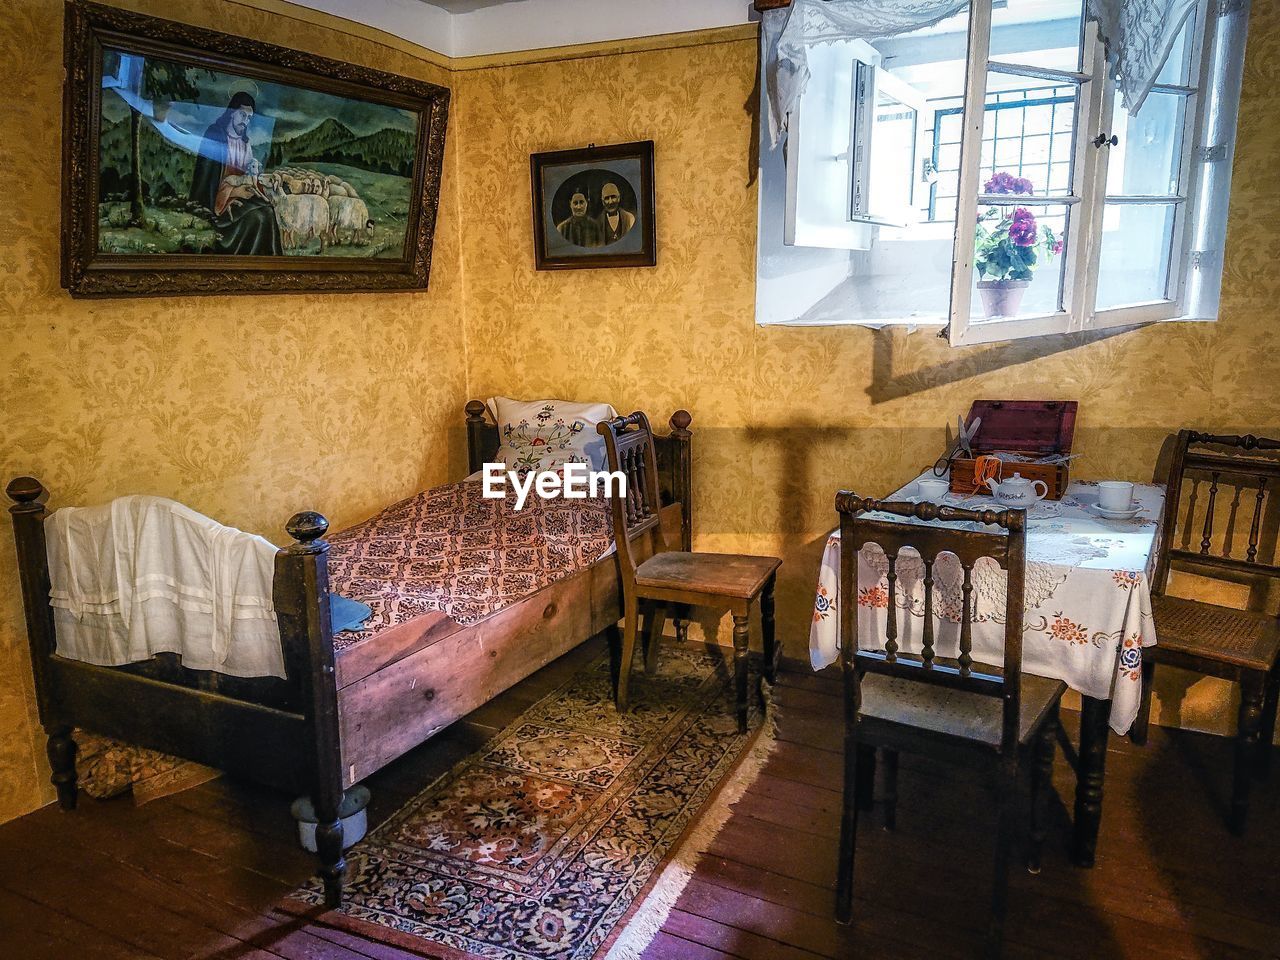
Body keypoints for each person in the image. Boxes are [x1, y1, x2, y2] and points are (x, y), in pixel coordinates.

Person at [189, 92, 283, 256]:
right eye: (242, 114)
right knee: (256, 218)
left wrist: (255, 185)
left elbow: (250, 173)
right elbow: (207, 180)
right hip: (218, 201)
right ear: (231, 112)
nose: (245, 121)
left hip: (239, 194)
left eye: (249, 118)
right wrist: (233, 192)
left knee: (268, 211)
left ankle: (272, 266)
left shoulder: (244, 142)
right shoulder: (215, 134)